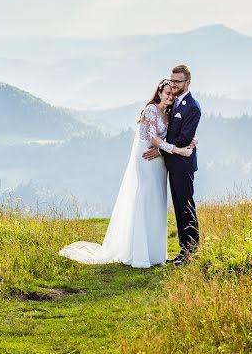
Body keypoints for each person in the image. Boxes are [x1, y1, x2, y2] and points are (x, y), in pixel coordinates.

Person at [59, 79, 194, 268]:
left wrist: (191, 141)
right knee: (145, 200)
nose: (170, 96)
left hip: (160, 163)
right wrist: (178, 151)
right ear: (159, 93)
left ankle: (155, 254)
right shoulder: (150, 110)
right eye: (167, 93)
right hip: (146, 160)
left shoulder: (168, 113)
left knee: (157, 202)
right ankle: (139, 252)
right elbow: (153, 139)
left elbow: (174, 135)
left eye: (172, 94)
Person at [143, 64, 201, 264]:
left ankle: (190, 252)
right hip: (173, 163)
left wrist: (160, 149)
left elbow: (184, 137)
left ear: (188, 82)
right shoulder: (175, 102)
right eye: (172, 80)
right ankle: (184, 252)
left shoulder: (192, 106)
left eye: (178, 81)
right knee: (178, 207)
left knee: (186, 207)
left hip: (183, 164)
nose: (174, 84)